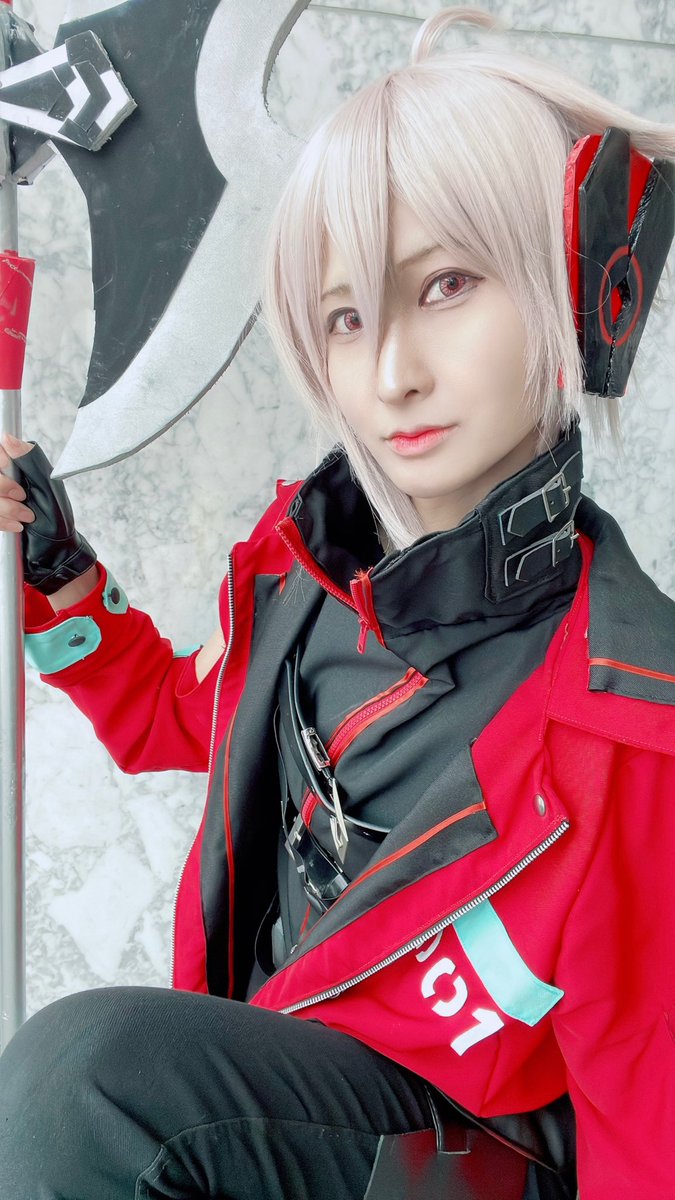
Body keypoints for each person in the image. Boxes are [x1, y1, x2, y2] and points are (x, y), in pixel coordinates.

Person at [0, 6, 673, 1198]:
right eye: (347, 316)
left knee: (83, 1083)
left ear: (576, 286)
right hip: (278, 1111)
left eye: (448, 284)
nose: (391, 372)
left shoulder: (630, 734)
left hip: (465, 1166)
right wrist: (58, 577)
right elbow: (178, 720)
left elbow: (648, 1128)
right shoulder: (303, 575)